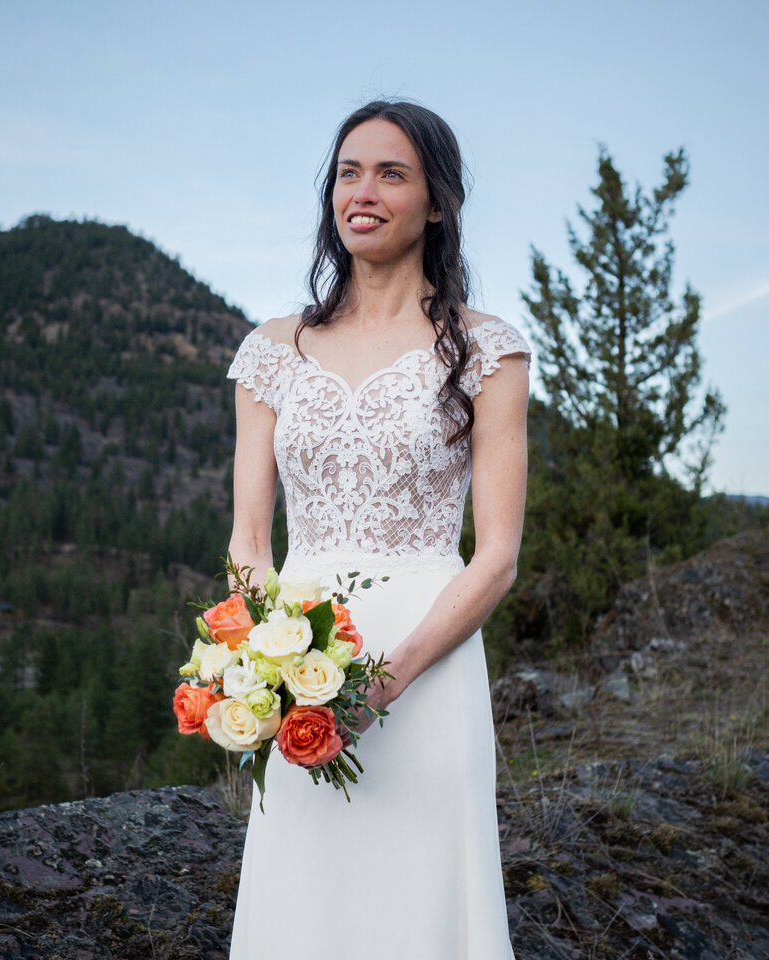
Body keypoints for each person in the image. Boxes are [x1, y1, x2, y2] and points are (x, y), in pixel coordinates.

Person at [223, 99, 529, 959]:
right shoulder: (273, 350)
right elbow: (250, 541)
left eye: (392, 172)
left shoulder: (487, 352)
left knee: (422, 908)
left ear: (436, 203)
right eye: (348, 172)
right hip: (303, 674)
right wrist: (272, 668)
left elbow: (497, 555)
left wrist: (387, 681)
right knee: (307, 903)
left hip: (428, 666)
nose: (363, 190)